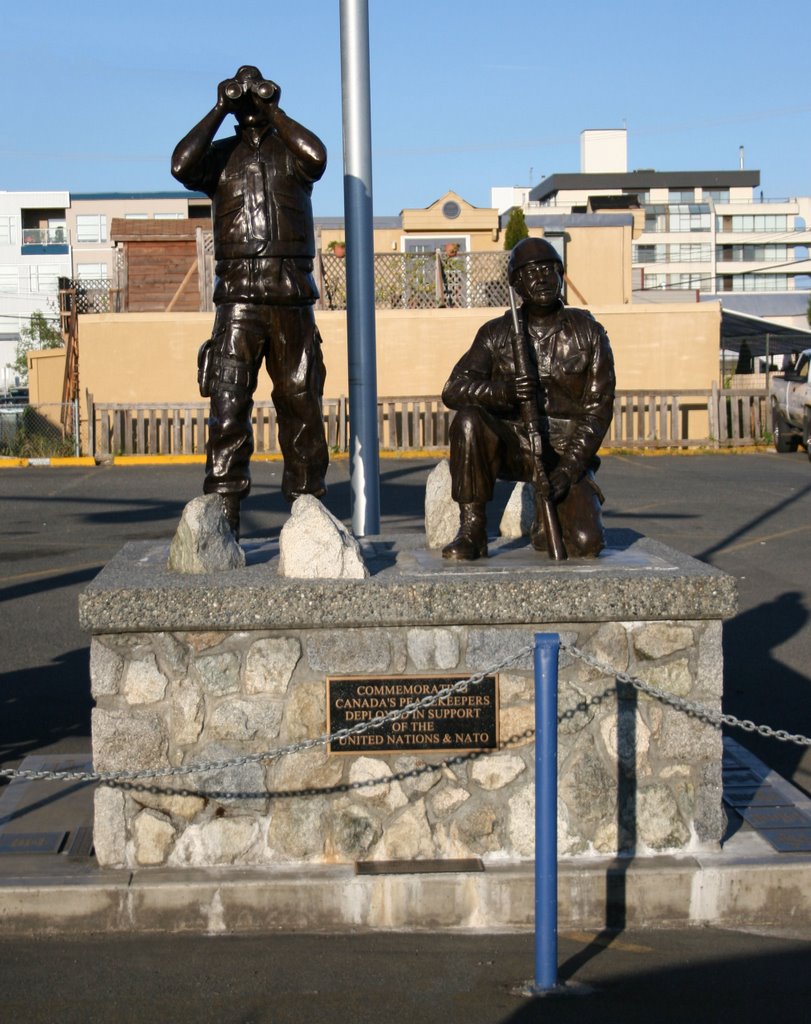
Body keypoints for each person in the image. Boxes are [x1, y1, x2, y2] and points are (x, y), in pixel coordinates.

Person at [171, 66, 329, 538]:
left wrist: (274, 110)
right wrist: (220, 108)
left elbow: (317, 157)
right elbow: (181, 165)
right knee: (228, 403)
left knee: (301, 400)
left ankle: (307, 509)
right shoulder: (219, 157)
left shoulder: (291, 153)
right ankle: (225, 511)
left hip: (290, 295)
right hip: (238, 297)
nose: (250, 103)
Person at [441, 236, 616, 560]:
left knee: (585, 543)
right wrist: (503, 392)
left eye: (550, 270)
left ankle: (543, 516)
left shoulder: (588, 332)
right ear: (516, 283)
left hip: (566, 454)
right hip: (515, 446)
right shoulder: (495, 333)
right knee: (468, 420)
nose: (542, 278)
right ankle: (473, 529)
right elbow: (454, 389)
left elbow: (597, 411)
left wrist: (567, 471)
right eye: (531, 272)